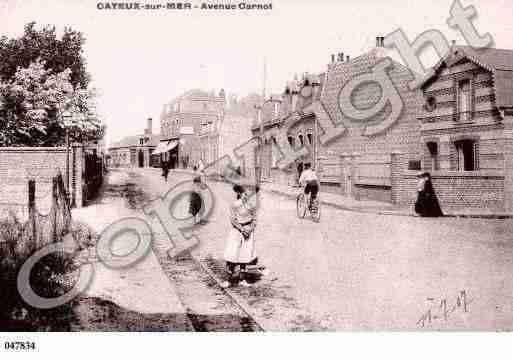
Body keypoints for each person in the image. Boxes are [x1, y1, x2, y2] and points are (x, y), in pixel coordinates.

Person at [222, 184, 257, 288]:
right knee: (232, 255)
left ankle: (242, 279)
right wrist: (242, 229)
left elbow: (254, 219)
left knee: (245, 255)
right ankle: (228, 280)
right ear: (239, 193)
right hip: (237, 231)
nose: (246, 196)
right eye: (244, 194)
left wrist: (250, 229)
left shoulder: (251, 205)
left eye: (248, 194)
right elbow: (233, 220)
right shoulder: (235, 205)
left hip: (248, 232)